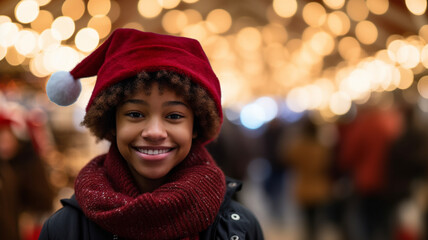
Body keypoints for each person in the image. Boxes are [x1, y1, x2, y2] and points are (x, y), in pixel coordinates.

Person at [39, 28, 264, 240]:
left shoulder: (240, 228)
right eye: (136, 114)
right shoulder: (63, 229)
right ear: (112, 123)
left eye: (174, 116)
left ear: (195, 126)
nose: (154, 132)